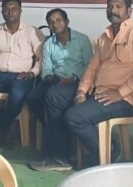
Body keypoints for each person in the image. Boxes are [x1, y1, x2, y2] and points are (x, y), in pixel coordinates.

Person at [65, 0, 133, 166]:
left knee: (75, 117)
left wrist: (120, 92)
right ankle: (65, 154)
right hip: (100, 93)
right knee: (61, 100)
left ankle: (110, 151)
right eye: (110, 6)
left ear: (129, 11)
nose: (113, 10)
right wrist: (81, 91)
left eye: (118, 6)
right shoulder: (104, 38)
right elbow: (92, 68)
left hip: (125, 100)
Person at [0, 0, 45, 147]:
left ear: (20, 11)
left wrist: (32, 73)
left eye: (14, 9)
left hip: (22, 75)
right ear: (2, 12)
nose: (10, 12)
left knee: (17, 95)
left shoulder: (32, 32)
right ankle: (7, 123)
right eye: (6, 9)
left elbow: (41, 58)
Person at [28, 9, 93, 172]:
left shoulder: (82, 40)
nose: (55, 24)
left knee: (52, 96)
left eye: (58, 20)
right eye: (51, 22)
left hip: (78, 82)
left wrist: (73, 79)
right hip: (56, 81)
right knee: (33, 97)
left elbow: (90, 67)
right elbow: (46, 69)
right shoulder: (49, 44)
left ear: (67, 22)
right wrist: (50, 78)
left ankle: (59, 154)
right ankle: (58, 127)